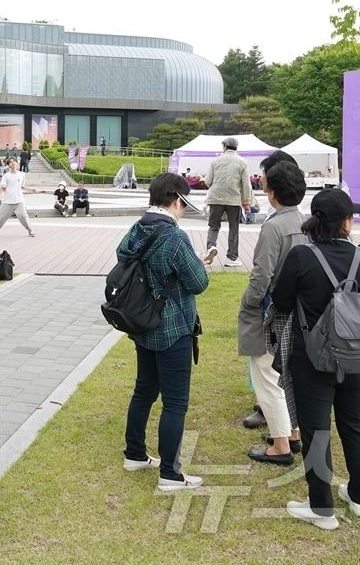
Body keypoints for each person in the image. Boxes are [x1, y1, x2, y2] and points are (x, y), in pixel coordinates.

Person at [271, 188, 360, 530]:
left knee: (317, 431)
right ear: (345, 223)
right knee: (355, 426)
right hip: (357, 354)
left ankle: (321, 507)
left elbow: (282, 300)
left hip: (312, 357)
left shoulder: (302, 256)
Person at [119, 173, 209, 491]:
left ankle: (135, 454)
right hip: (173, 327)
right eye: (184, 204)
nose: (183, 210)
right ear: (175, 201)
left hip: (142, 322)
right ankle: (170, 474)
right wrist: (198, 265)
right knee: (175, 402)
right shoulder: (174, 237)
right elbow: (199, 282)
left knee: (144, 390)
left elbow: (124, 258)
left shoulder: (137, 228)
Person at [240, 162, 308, 466]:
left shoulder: (274, 226)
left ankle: (281, 445)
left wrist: (248, 303)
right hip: (300, 311)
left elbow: (261, 274)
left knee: (267, 375)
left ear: (272, 193)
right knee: (287, 375)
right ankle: (292, 433)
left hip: (272, 312)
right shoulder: (304, 222)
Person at [204, 137, 252, 267]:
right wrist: (246, 202)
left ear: (225, 146)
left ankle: (211, 247)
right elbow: (246, 184)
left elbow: (208, 181)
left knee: (213, 226)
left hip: (215, 198)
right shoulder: (242, 162)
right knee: (234, 228)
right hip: (234, 200)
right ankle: (231, 258)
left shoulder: (215, 161)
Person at [0, 157, 34, 237]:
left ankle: (30, 230)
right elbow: (3, 187)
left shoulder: (22, 174)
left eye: (14, 161)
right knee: (0, 216)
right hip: (7, 200)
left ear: (17, 163)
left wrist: (32, 189)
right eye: (10, 162)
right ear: (8, 165)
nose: (13, 163)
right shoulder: (6, 176)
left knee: (23, 216)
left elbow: (22, 186)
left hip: (19, 200)